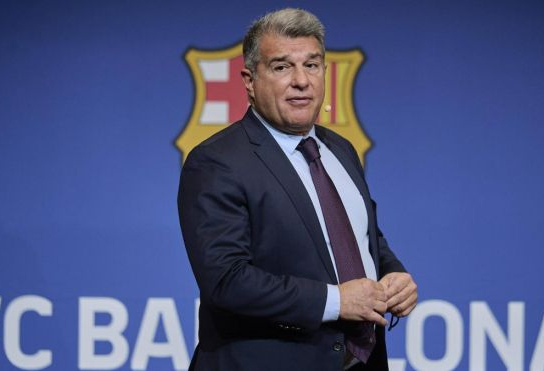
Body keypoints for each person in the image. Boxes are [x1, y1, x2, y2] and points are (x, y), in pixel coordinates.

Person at [178, 8, 417, 371]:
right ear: (248, 80)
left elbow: (365, 238)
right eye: (281, 67)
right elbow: (226, 281)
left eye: (312, 64)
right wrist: (336, 301)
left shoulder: (340, 149)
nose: (301, 80)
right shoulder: (216, 161)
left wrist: (393, 275)